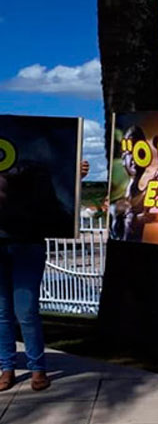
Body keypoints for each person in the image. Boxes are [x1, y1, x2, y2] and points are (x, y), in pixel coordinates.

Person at [0, 160, 89, 392]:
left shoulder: (29, 167)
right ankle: (6, 367)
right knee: (2, 311)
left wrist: (73, 176)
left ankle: (37, 367)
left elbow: (51, 196)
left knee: (26, 309)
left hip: (28, 244)